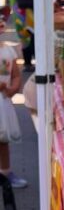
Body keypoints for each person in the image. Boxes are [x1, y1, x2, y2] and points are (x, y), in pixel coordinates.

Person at [0, 22, 26, 190]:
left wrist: (13, 88)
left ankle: (5, 172)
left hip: (3, 100)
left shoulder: (8, 51)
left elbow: (15, 74)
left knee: (3, 139)